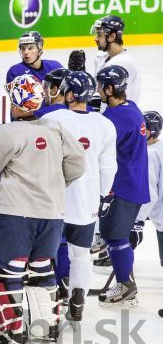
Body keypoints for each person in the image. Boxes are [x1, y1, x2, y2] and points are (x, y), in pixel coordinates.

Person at [0, 75, 86, 344]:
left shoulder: (7, 132)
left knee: (10, 270)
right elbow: (78, 163)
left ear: (17, 104)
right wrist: (55, 182)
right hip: (52, 213)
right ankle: (46, 328)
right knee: (42, 268)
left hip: (17, 214)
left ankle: (12, 330)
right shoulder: (54, 128)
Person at [38, 71, 117, 322]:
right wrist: (104, 197)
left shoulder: (52, 119)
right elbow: (108, 167)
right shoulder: (104, 124)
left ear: (69, 94)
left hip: (55, 199)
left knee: (45, 253)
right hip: (87, 201)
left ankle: (51, 299)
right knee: (80, 255)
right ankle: (77, 300)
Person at [94, 65, 149, 307]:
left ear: (109, 88)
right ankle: (126, 276)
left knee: (115, 238)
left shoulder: (116, 118)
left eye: (100, 86)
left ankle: (126, 284)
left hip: (122, 186)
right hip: (133, 182)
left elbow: (98, 147)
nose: (97, 90)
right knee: (118, 237)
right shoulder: (132, 109)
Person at [92, 15, 141, 104]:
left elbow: (118, 101)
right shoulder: (100, 57)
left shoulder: (124, 64)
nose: (95, 39)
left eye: (99, 35)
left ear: (112, 36)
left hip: (118, 115)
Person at [136, 111, 163, 267]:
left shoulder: (150, 154)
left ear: (151, 131)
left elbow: (150, 194)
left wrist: (138, 220)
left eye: (143, 129)